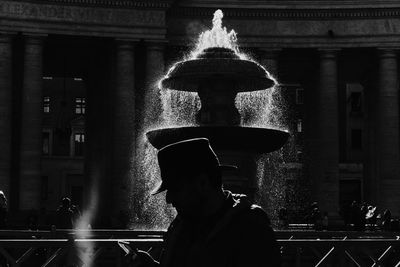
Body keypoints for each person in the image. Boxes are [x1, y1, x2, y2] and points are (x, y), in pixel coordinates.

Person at [123, 138, 281, 267]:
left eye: (176, 189)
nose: (169, 199)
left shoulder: (250, 229)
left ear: (203, 184)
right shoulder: (183, 223)